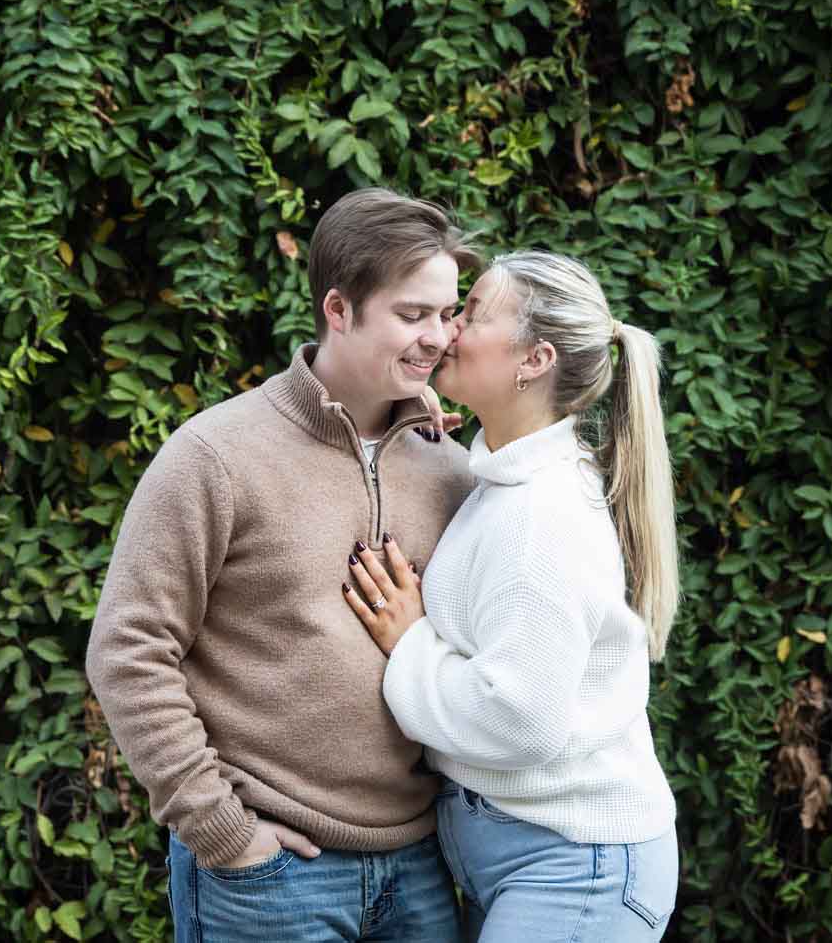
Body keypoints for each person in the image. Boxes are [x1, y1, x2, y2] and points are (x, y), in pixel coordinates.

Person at [86, 188, 479, 942]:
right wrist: (225, 832)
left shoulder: (452, 467)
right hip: (273, 873)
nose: (438, 336)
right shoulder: (217, 455)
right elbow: (128, 649)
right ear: (339, 308)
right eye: (411, 314)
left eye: (446, 312)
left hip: (421, 867)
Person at [342, 250, 681, 940]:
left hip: (575, 872)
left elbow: (520, 718)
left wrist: (411, 645)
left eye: (471, 314)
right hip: (535, 862)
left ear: (534, 360)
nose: (446, 332)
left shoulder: (542, 516)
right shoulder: (504, 483)